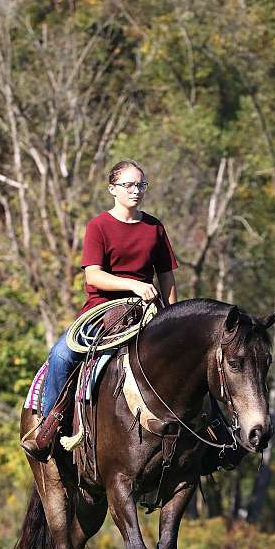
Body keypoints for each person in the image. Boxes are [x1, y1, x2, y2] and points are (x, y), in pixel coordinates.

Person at [21, 160, 178, 460]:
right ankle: (49, 426)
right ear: (112, 189)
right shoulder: (99, 226)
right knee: (61, 355)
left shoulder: (154, 227)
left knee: (192, 356)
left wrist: (171, 317)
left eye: (141, 185)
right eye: (129, 185)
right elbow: (93, 275)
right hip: (102, 310)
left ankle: (215, 431)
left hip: (146, 311)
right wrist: (133, 285)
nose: (136, 191)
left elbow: (167, 276)